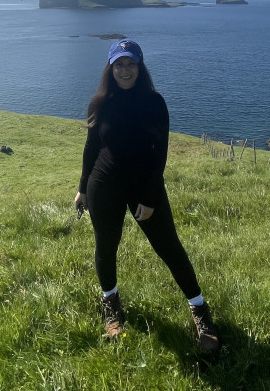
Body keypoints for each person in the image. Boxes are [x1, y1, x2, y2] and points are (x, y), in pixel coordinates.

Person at [74, 39, 220, 352]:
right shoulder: (99, 103)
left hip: (144, 185)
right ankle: (111, 305)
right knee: (106, 247)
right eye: (119, 64)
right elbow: (91, 148)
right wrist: (82, 187)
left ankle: (200, 310)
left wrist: (150, 198)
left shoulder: (154, 103)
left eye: (131, 64)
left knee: (169, 247)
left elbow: (160, 155)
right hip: (104, 185)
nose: (125, 70)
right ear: (110, 68)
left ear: (140, 68)